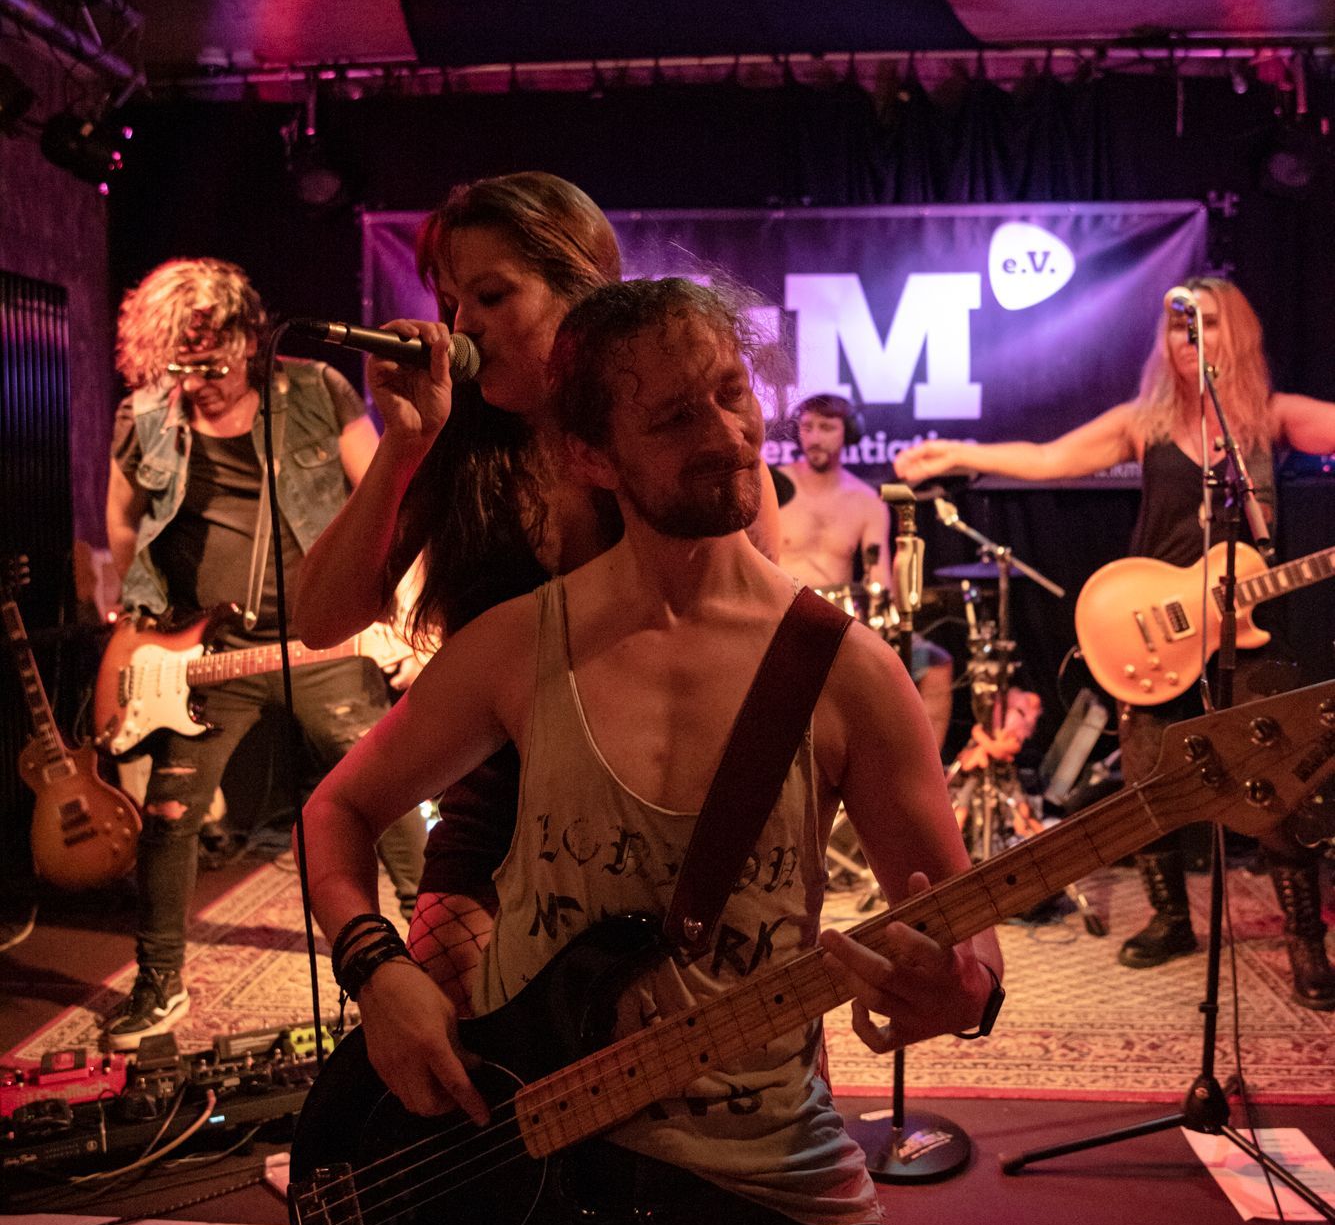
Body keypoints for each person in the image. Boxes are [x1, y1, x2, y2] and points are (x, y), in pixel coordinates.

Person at [302, 277, 1011, 1225]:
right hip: (519, 1157)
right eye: (676, 415)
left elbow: (964, 931)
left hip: (769, 1170)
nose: (728, 434)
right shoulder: (518, 645)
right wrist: (377, 971)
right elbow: (336, 812)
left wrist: (956, 987)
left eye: (731, 395)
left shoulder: (847, 670)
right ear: (590, 454)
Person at [293, 171, 780, 1017]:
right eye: (450, 303)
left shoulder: (685, 449)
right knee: (465, 1060)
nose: (461, 328)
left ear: (581, 291)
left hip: (665, 808)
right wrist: (404, 444)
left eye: (490, 296)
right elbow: (320, 619)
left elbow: (755, 642)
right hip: (494, 814)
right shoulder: (455, 442)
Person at [895, 274, 1335, 1008]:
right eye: (1179, 326)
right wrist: (956, 451)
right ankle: (1170, 921)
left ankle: (1305, 943)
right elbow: (1047, 459)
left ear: (1237, 334)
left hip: (1246, 632)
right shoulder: (1145, 421)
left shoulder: (1270, 418)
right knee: (1147, 778)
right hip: (1155, 627)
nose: (1190, 338)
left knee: (1277, 781)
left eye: (1207, 323)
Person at [101, 258, 426, 1049]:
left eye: (213, 365)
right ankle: (158, 981)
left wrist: (407, 602)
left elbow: (387, 494)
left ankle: (435, 942)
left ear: (250, 337)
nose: (198, 384)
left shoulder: (316, 390)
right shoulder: (146, 415)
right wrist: (146, 622)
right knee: (168, 815)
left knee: (386, 793)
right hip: (214, 654)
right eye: (181, 367)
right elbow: (122, 521)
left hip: (326, 638)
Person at [778, 393, 954, 748]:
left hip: (839, 621)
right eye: (807, 427)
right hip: (781, 616)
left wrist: (884, 627)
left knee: (936, 665)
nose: (814, 437)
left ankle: (921, 776)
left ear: (849, 432)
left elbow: (879, 580)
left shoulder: (866, 501)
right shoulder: (774, 487)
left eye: (826, 427)